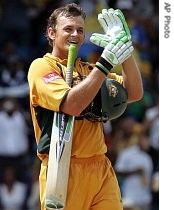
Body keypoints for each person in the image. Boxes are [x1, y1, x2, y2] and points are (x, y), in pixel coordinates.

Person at [27, 3, 143, 210]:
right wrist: (105, 63)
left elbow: (133, 93)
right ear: (52, 33)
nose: (76, 34)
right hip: (64, 167)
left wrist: (124, 52)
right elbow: (72, 105)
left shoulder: (90, 69)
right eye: (68, 29)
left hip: (100, 165)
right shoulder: (41, 67)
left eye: (80, 30)